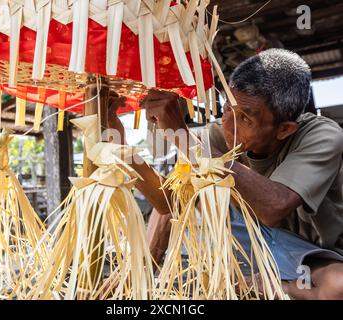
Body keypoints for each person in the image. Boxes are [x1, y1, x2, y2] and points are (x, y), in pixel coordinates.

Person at [107, 48, 343, 300]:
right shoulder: (214, 138)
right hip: (252, 247)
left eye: (245, 119)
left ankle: (268, 285)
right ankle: (142, 273)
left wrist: (186, 138)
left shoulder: (322, 136)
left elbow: (274, 207)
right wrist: (122, 146)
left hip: (312, 257)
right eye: (227, 109)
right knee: (185, 181)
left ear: (284, 129)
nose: (228, 125)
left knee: (337, 286)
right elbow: (168, 203)